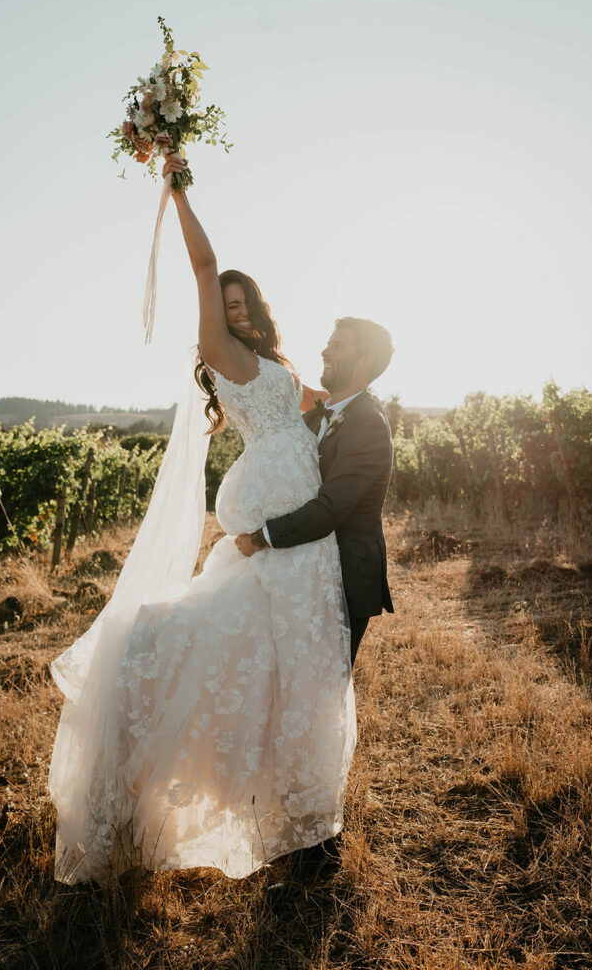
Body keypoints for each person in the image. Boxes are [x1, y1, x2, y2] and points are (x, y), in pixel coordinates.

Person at [47, 149, 358, 886]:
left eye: (243, 297)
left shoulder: (274, 365)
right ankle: (149, 735)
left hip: (304, 522)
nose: (234, 304)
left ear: (260, 306)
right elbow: (204, 265)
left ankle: (301, 811)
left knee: (299, 657)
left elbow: (321, 403)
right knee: (236, 643)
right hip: (274, 511)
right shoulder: (222, 352)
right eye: (226, 300)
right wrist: (178, 189)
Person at [233, 317, 395, 876]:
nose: (325, 348)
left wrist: (263, 537)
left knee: (322, 701)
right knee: (292, 693)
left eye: (338, 344)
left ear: (366, 362)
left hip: (346, 577)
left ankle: (321, 842)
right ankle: (293, 822)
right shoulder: (317, 416)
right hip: (306, 577)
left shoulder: (370, 427)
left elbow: (331, 506)